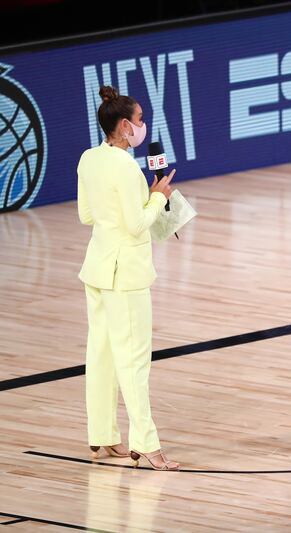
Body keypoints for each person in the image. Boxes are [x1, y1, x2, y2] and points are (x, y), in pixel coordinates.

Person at [78, 85, 179, 470]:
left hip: (97, 267)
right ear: (124, 125)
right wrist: (158, 197)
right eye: (139, 120)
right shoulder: (127, 168)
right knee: (134, 360)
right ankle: (146, 444)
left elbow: (87, 216)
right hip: (126, 275)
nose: (142, 125)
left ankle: (102, 435)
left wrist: (139, 203)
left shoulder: (89, 158)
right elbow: (137, 224)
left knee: (100, 355)